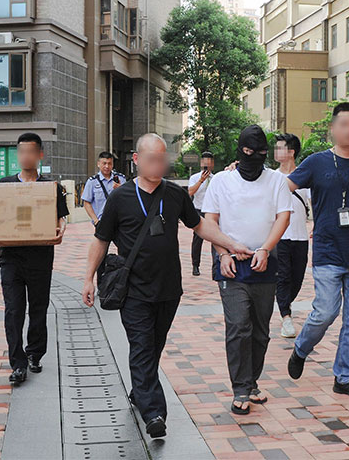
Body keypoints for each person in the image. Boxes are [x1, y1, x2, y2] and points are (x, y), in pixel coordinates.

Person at [81, 134, 253, 438]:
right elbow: (101, 239)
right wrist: (88, 278)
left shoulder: (174, 194)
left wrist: (231, 244)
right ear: (136, 160)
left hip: (168, 289)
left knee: (153, 346)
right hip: (133, 290)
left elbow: (200, 225)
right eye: (152, 159)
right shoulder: (120, 198)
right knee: (142, 346)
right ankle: (154, 413)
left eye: (162, 159)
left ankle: (141, 390)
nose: (158, 165)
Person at [283, 102, 349, 401]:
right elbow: (282, 188)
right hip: (328, 251)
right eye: (344, 125)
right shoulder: (316, 162)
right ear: (332, 128)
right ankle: (301, 348)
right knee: (326, 312)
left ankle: (345, 377)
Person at [203, 125, 292, 415]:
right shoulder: (221, 181)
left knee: (260, 330)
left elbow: (283, 217)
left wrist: (265, 248)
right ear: (240, 151)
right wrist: (223, 253)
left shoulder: (276, 180)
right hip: (231, 264)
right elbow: (210, 221)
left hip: (264, 261)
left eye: (261, 153)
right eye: (250, 152)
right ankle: (240, 388)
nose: (256, 158)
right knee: (239, 325)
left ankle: (251, 381)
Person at [0, 132, 69, 386]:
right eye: (21, 152)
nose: (26, 156)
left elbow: (60, 217)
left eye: (31, 152)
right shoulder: (5, 186)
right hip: (10, 257)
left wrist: (61, 229)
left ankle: (34, 353)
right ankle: (17, 363)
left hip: (40, 257)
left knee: (38, 308)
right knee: (13, 310)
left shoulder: (51, 188)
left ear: (39, 154)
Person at [273, 133, 310, 338]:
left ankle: (284, 303)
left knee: (297, 278)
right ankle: (286, 316)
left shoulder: (304, 176)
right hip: (279, 236)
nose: (275, 151)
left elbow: (315, 202)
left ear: (291, 152)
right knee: (283, 276)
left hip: (300, 236)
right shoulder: (271, 176)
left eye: (280, 148)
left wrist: (317, 225)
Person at [82, 151, 126, 280]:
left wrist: (120, 189)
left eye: (109, 163)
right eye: (104, 163)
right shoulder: (92, 182)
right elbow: (86, 203)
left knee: (125, 251)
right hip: (102, 223)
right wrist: (95, 220)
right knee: (100, 255)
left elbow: (129, 199)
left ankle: (123, 280)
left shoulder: (121, 179)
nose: (107, 166)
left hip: (120, 223)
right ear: (98, 164)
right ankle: (101, 283)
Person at [187, 151, 215, 276]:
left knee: (216, 239)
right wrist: (201, 180)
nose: (206, 166)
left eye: (209, 163)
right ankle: (195, 265)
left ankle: (216, 266)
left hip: (212, 212)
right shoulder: (194, 178)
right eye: (204, 163)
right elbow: (190, 192)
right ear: (201, 163)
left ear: (212, 164)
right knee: (198, 239)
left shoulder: (216, 179)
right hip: (198, 210)